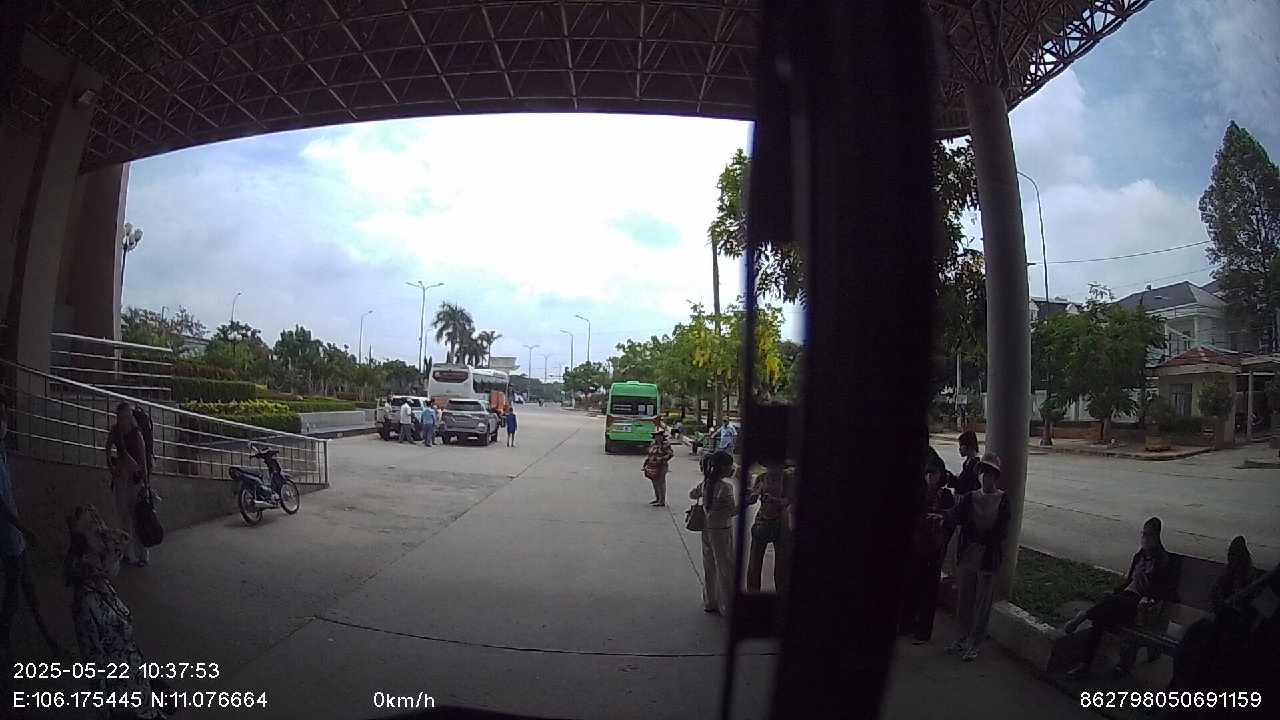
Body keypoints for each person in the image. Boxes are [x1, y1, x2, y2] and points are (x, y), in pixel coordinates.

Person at [64, 504, 170, 719]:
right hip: (124, 701)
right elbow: (94, 666)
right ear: (91, 560)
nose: (115, 560)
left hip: (138, 685)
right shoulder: (85, 603)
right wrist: (106, 713)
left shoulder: (103, 586)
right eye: (109, 555)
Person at [1064, 517, 1178, 679]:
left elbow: (1161, 589)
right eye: (1144, 534)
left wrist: (1149, 587)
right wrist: (1116, 590)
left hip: (1140, 602)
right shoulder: (1139, 556)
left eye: (1149, 535)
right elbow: (1129, 581)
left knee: (1108, 607)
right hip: (1124, 597)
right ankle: (1084, 663)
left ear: (1157, 536)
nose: (1145, 538)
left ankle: (1083, 617)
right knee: (1101, 618)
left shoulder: (1162, 560)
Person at [1, 400, 62, 673]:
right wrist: (24, 529)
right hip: (9, 537)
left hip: (14, 537)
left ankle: (49, 642)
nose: (5, 423)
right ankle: (9, 645)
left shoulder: (3, 453)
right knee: (15, 594)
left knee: (25, 592)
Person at [1167, 536, 1257, 694]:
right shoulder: (1228, 574)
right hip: (1221, 621)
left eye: (1234, 556)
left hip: (1234, 627)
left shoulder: (1249, 578)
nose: (1231, 560)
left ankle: (1182, 687)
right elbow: (1214, 595)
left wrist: (1234, 605)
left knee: (1203, 645)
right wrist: (1220, 600)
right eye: (1230, 555)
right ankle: (1178, 686)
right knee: (1196, 639)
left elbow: (1251, 609)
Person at [945, 451, 1010, 661]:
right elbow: (955, 515)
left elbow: (1002, 532)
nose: (984, 476)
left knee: (983, 603)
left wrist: (980, 535)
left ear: (995, 476)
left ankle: (975, 642)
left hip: (988, 558)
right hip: (969, 555)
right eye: (982, 472)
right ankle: (961, 638)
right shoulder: (971, 497)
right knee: (965, 599)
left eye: (989, 473)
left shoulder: (1003, 500)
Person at [900, 460, 955, 644]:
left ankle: (923, 631)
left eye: (934, 473)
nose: (930, 477)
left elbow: (951, 520)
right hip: (917, 547)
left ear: (941, 475)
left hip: (935, 549)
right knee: (911, 586)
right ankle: (906, 624)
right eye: (928, 473)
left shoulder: (945, 495)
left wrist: (941, 520)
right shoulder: (919, 493)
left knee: (929, 591)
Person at [691, 450, 736, 615]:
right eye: (730, 466)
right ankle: (727, 605)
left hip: (707, 529)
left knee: (709, 566)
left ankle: (710, 601)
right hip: (722, 531)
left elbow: (692, 494)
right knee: (725, 567)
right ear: (723, 467)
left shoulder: (706, 484)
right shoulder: (726, 487)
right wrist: (748, 502)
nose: (732, 469)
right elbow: (731, 511)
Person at [105, 401, 150, 567]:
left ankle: (142, 554)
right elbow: (107, 449)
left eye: (124, 417)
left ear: (130, 417)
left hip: (135, 479)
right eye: (119, 417)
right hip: (121, 478)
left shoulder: (136, 433)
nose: (122, 420)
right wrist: (112, 468)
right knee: (123, 516)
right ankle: (127, 553)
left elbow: (142, 458)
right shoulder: (115, 431)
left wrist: (145, 481)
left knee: (136, 516)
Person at [745, 464, 794, 593]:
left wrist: (774, 500)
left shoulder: (787, 478)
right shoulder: (761, 478)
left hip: (781, 522)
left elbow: (789, 501)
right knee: (754, 563)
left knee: (782, 566)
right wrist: (751, 497)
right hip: (762, 520)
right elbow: (752, 497)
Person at [643, 424, 674, 506]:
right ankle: (657, 498)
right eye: (656, 435)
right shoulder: (653, 444)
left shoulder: (665, 444)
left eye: (659, 435)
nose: (658, 437)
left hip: (662, 466)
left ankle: (662, 501)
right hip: (652, 466)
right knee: (655, 482)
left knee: (661, 482)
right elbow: (649, 455)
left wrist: (661, 459)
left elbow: (670, 454)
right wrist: (645, 464)